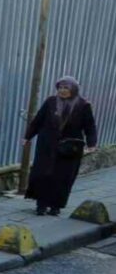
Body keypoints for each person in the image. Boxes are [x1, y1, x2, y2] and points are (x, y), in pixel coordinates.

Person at [23, 76, 98, 216]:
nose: (62, 91)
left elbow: (90, 126)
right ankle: (41, 205)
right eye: (60, 87)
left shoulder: (83, 105)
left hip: (70, 148)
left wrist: (92, 143)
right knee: (43, 174)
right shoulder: (50, 102)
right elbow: (38, 120)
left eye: (66, 88)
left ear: (74, 90)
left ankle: (56, 206)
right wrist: (27, 137)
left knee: (63, 177)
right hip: (47, 145)